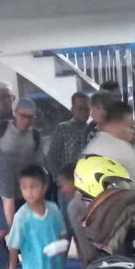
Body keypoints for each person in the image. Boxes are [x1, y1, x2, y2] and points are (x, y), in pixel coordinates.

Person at [82, 101, 135, 191]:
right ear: (118, 123)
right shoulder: (124, 151)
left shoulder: (91, 148)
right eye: (130, 126)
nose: (132, 131)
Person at [46, 93, 90, 224]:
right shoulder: (63, 129)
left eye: (86, 108)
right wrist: (59, 180)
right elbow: (51, 156)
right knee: (68, 224)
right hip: (67, 187)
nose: (83, 112)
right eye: (80, 108)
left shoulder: (92, 130)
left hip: (87, 187)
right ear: (72, 109)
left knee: (86, 224)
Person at [0, 98, 45, 204]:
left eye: (30, 117)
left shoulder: (36, 136)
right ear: (15, 113)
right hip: (0, 191)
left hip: (25, 193)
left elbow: (39, 164)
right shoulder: (1, 128)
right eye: (23, 116)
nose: (26, 120)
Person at [57, 163, 89, 265]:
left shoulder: (75, 205)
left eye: (62, 186)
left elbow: (85, 244)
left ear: (74, 182)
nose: (62, 191)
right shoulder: (90, 197)